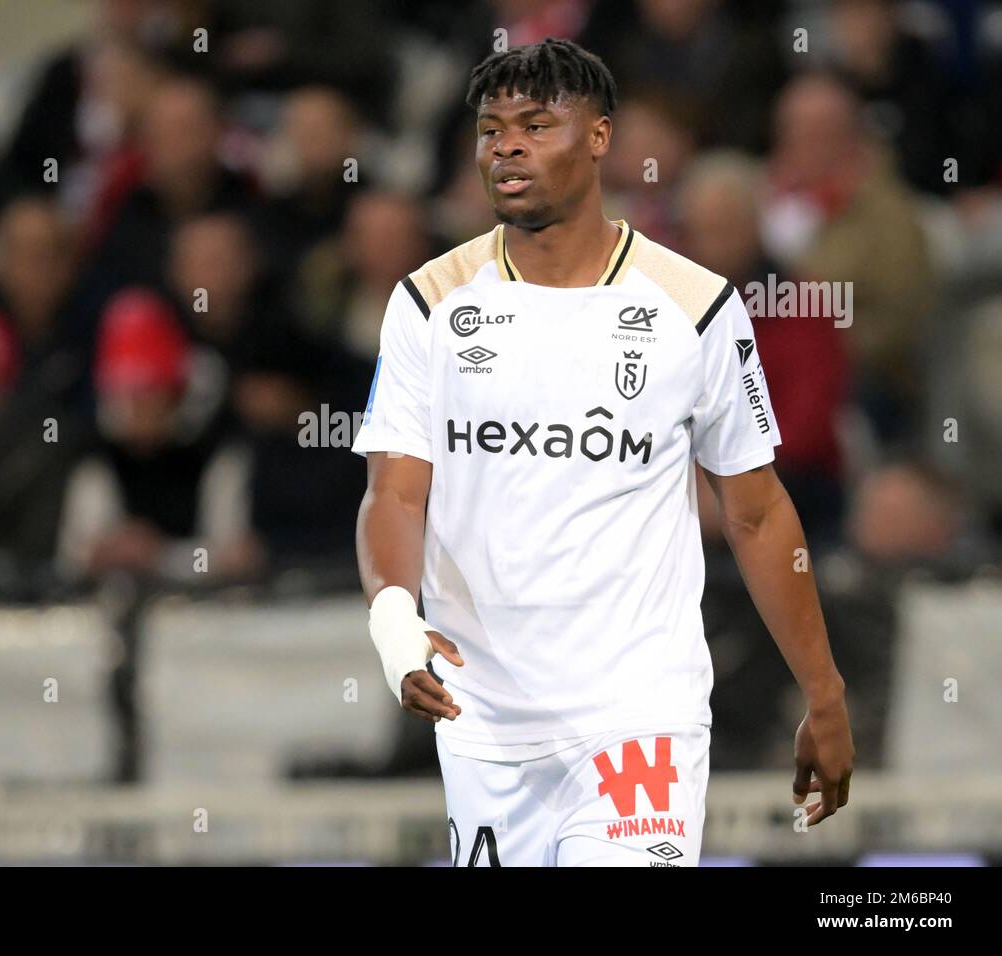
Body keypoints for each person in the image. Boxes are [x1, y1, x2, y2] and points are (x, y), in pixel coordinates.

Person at [351, 38, 854, 867]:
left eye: (536, 124)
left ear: (599, 138)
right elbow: (396, 496)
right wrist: (392, 616)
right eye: (490, 129)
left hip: (638, 716)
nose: (506, 146)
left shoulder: (693, 307)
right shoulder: (429, 304)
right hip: (482, 721)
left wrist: (825, 695)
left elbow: (758, 513)